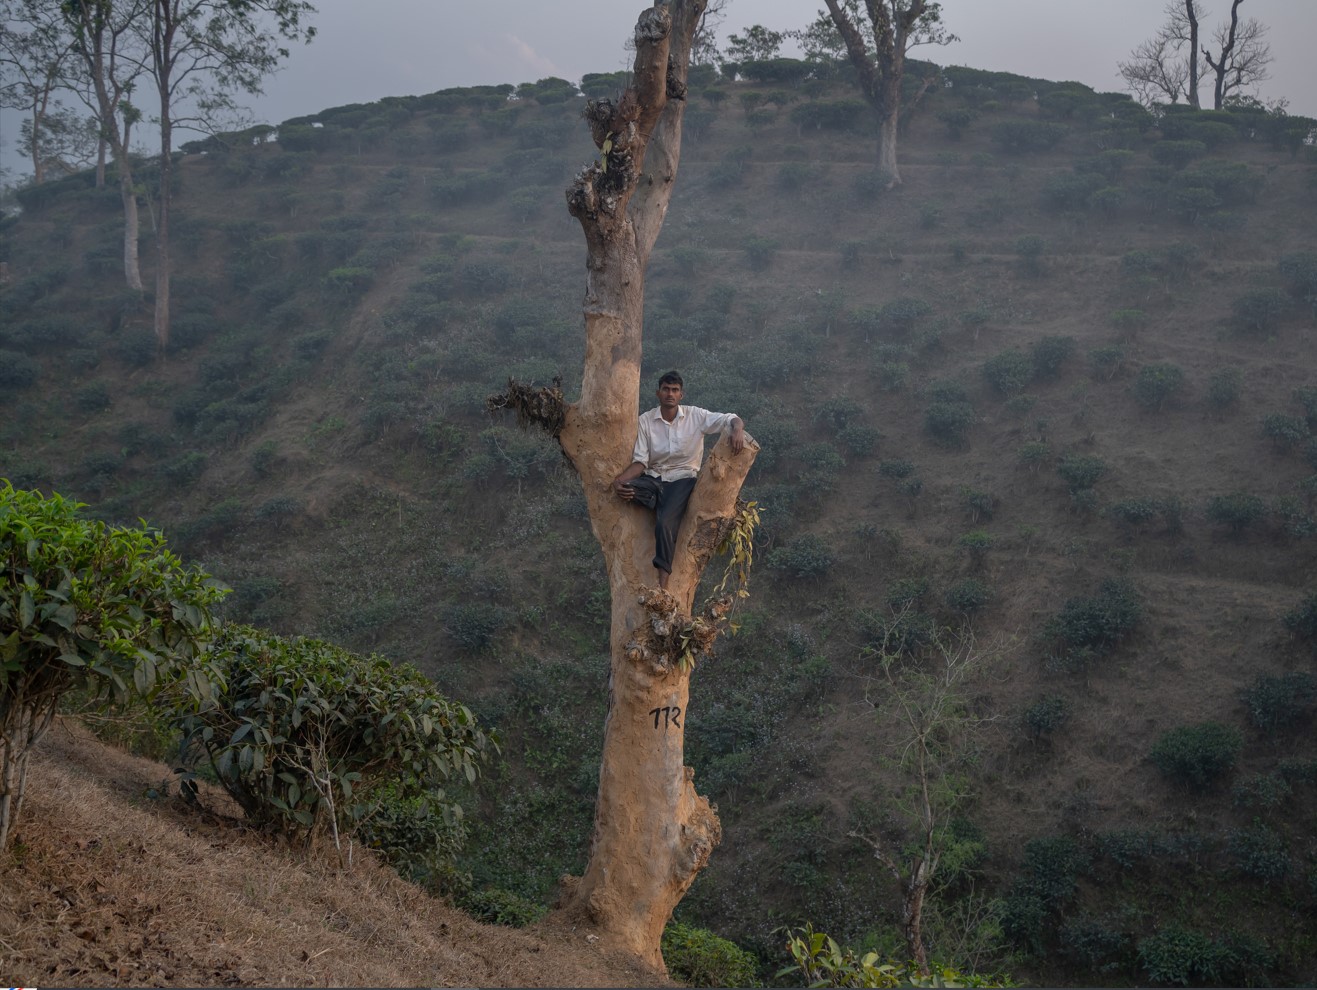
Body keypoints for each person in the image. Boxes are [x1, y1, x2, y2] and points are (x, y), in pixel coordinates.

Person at [612, 371, 746, 590]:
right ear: (658, 392)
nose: (670, 394)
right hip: (654, 477)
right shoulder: (646, 421)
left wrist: (738, 428)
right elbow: (640, 462)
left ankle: (663, 584)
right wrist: (619, 481)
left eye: (674, 390)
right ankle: (656, 499)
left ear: (681, 395)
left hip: (682, 479)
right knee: (627, 488)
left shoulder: (695, 416)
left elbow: (728, 418)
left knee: (665, 523)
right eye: (666, 389)